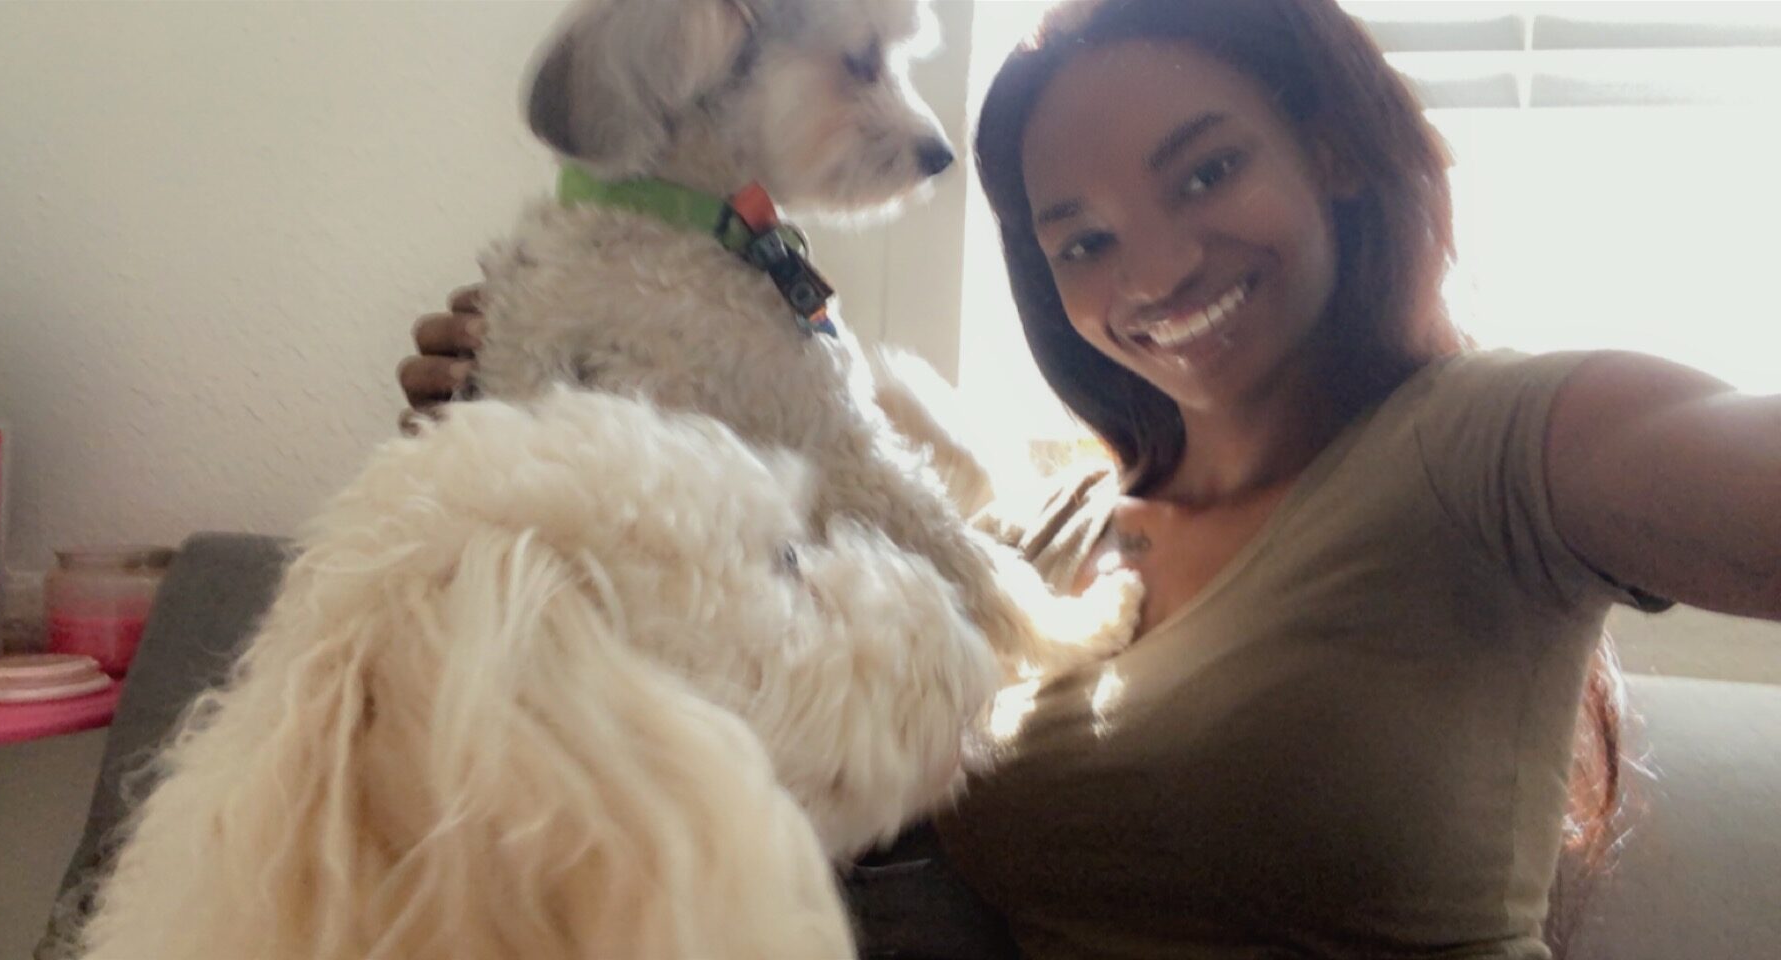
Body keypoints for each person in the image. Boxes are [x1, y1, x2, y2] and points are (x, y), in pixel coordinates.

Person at [401, 1, 1781, 956]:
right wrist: (545, 409)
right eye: (1081, 240)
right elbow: (705, 669)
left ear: (1336, 152)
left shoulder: (1502, 440)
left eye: (1207, 173)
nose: (1155, 271)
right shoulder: (1042, 526)